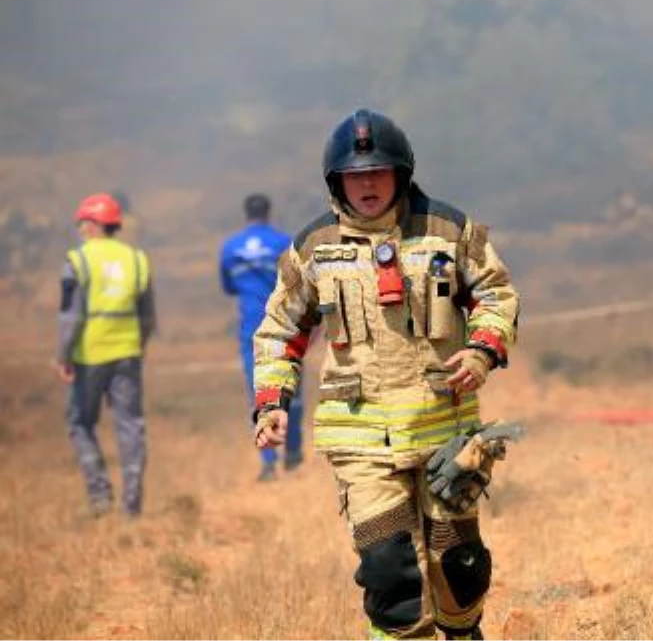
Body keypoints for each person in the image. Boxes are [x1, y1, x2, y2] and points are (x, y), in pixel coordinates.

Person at [251, 108, 520, 641]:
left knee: (458, 570)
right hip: (362, 439)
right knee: (389, 573)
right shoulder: (313, 248)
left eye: (378, 171)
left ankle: (464, 633)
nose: (367, 183)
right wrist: (272, 402)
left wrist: (480, 353)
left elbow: (496, 295)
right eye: (355, 174)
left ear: (402, 172)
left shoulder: (448, 230)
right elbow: (281, 329)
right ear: (337, 181)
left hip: (446, 429)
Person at [56, 193, 156, 518]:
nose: (80, 229)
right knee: (130, 427)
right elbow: (148, 317)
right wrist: (136, 346)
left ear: (94, 224)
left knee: (80, 423)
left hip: (89, 355)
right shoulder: (137, 259)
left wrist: (63, 356)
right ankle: (131, 507)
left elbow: (71, 317)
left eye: (83, 222)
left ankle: (99, 496)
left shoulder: (78, 260)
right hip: (128, 354)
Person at [219, 193, 300, 481]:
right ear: (269, 212)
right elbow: (297, 285)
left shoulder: (230, 247)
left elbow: (228, 286)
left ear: (246, 213)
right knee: (290, 391)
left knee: (261, 394)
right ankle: (292, 451)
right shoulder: (283, 243)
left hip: (250, 330)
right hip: (282, 325)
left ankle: (268, 463)